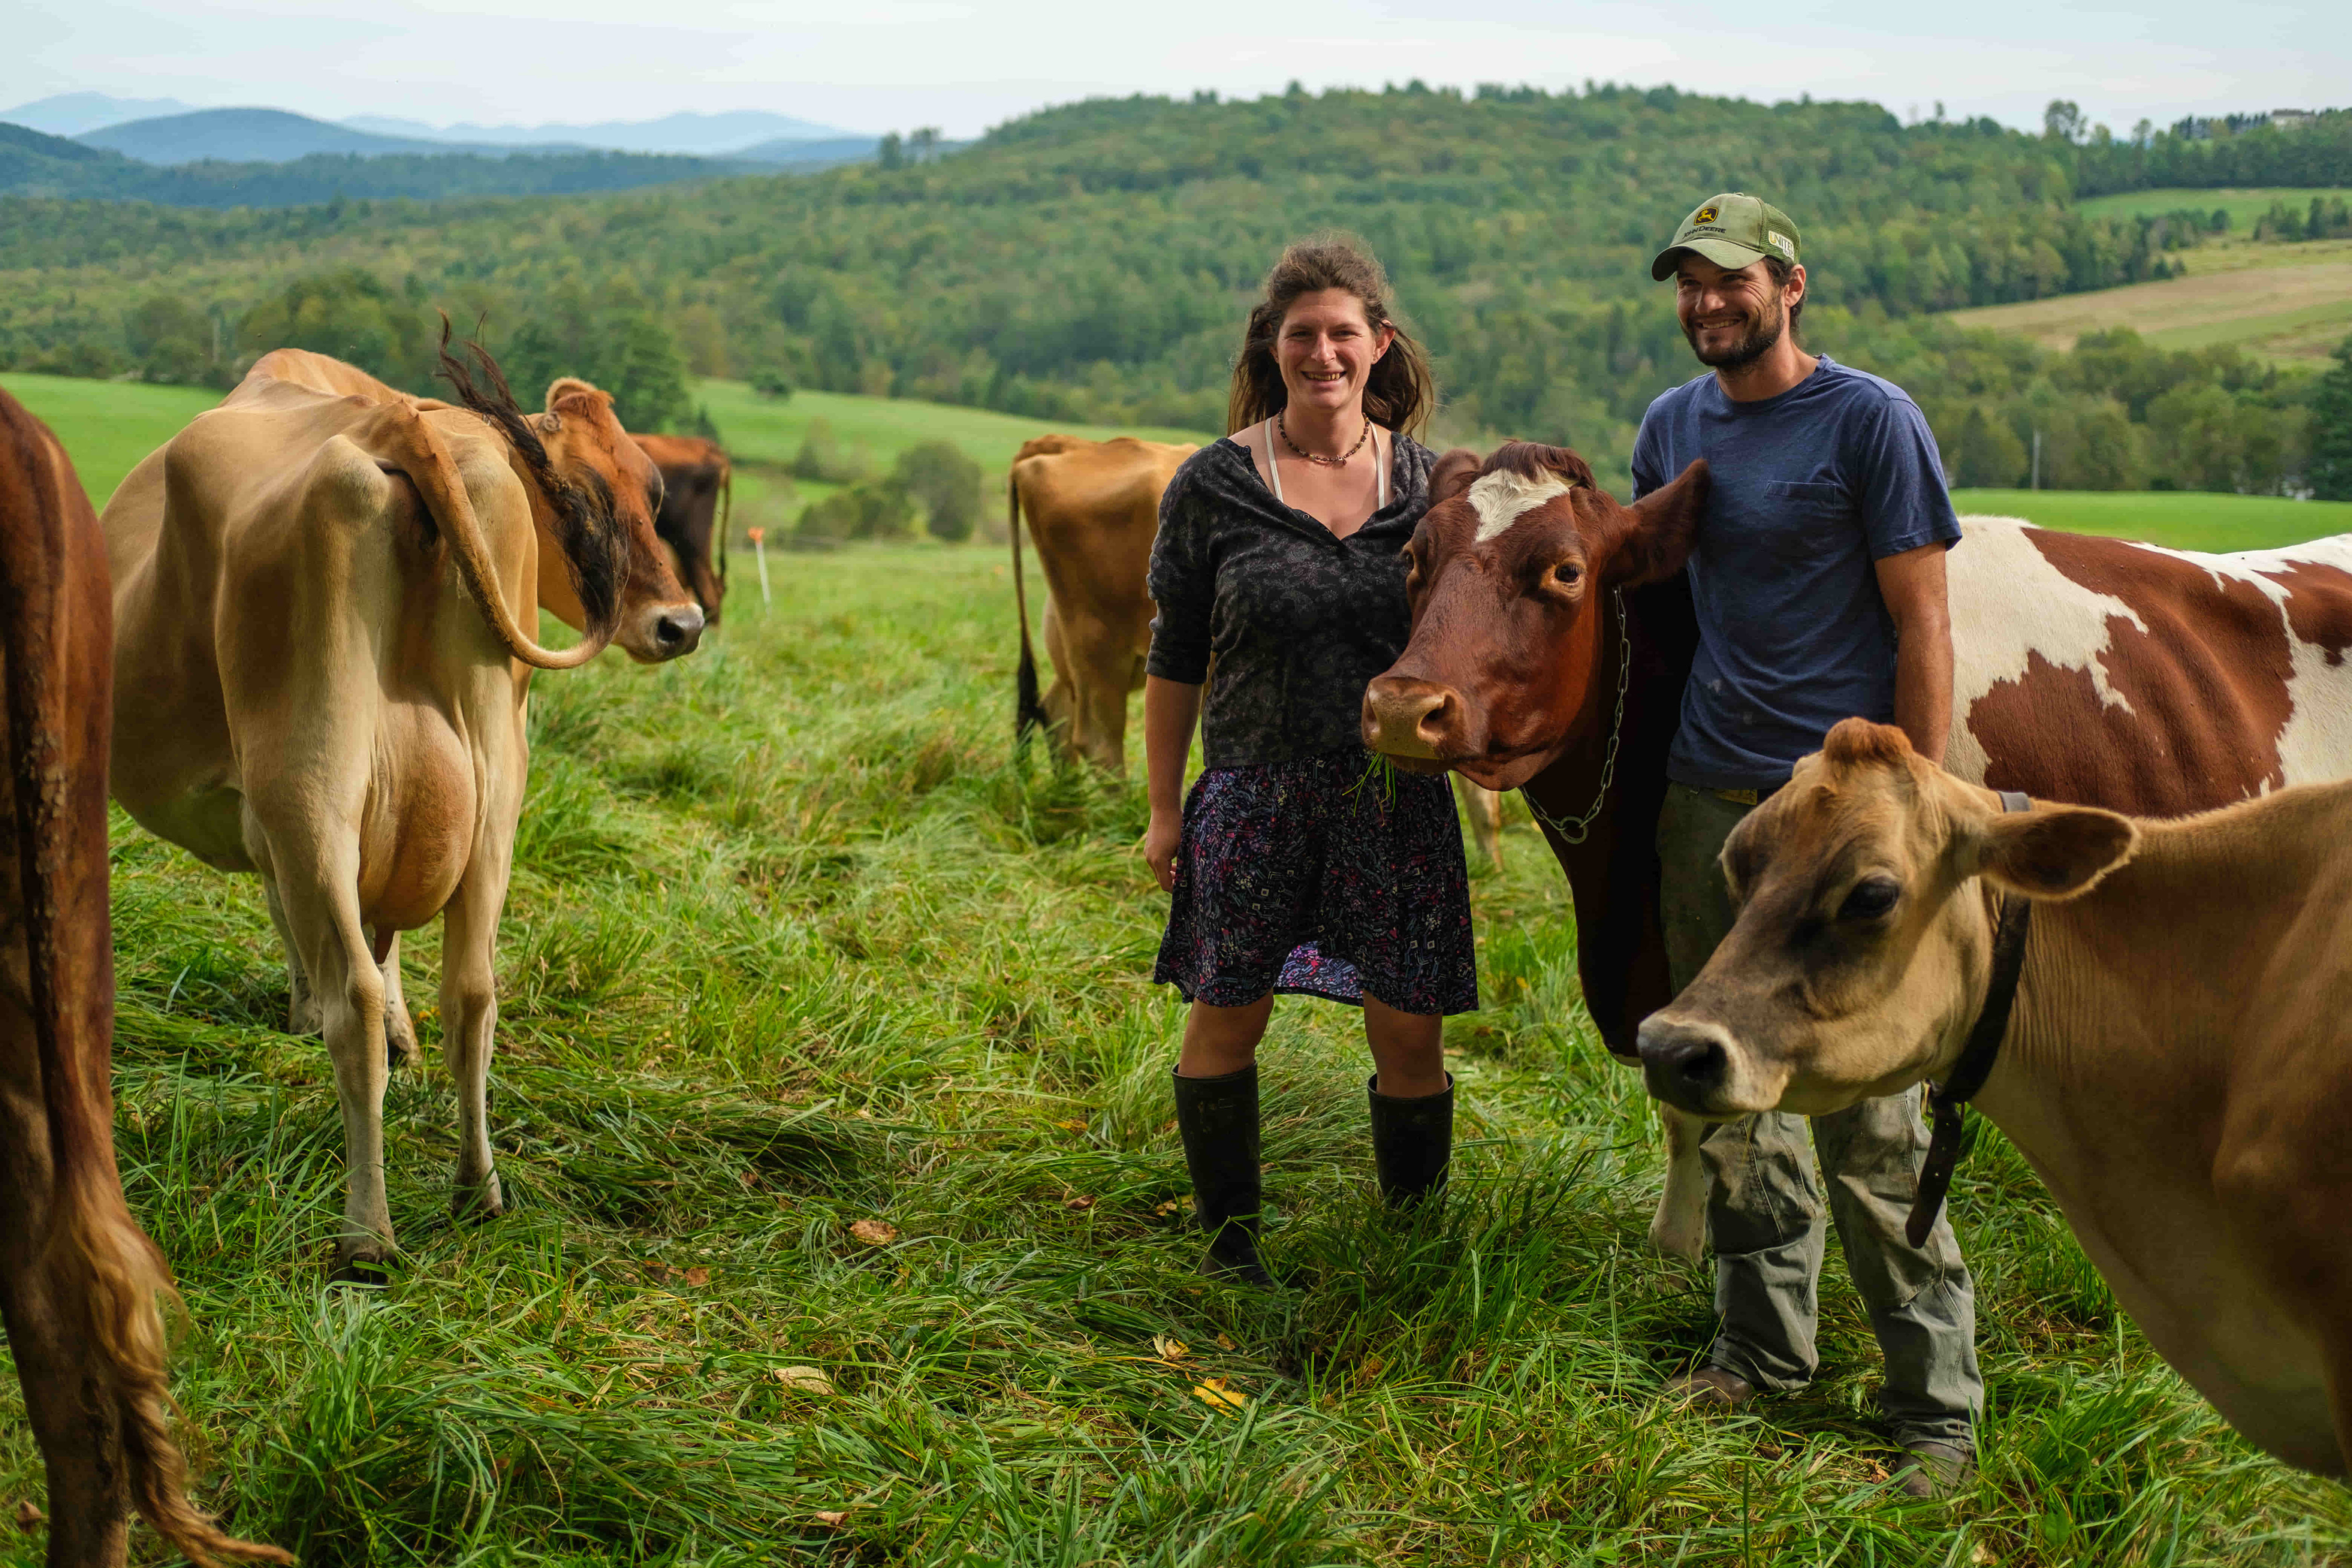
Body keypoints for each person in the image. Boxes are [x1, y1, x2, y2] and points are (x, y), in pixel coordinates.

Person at [1632, 194, 1981, 1496]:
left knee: (1872, 1112)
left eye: (1730, 281)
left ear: (1790, 286)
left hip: (1836, 824)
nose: (1707, 302)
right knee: (1734, 1093)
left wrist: (1911, 801)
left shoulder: (1870, 420)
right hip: (1714, 807)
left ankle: (1933, 1405)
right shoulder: (1672, 425)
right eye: (1688, 283)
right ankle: (1761, 1355)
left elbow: (1925, 621)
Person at [1143, 238, 1478, 1288]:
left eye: (1343, 334)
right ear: (1273, 347)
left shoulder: (1435, 488)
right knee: (1227, 1010)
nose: (1323, 353)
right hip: (1253, 790)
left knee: (1409, 1031)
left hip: (1397, 797)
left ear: (1379, 345)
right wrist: (1164, 812)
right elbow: (1174, 655)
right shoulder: (1214, 485)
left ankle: (1413, 1244)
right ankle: (1230, 1244)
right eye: (1303, 335)